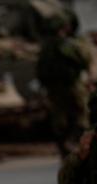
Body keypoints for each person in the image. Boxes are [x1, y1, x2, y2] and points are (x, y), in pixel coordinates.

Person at [35, 13, 91, 157]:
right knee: (82, 113)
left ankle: (64, 148)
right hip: (71, 84)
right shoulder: (66, 44)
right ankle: (74, 142)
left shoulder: (46, 47)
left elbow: (40, 70)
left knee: (59, 119)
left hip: (53, 88)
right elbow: (84, 60)